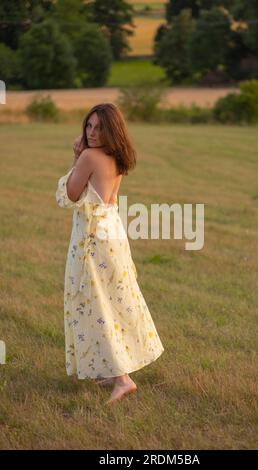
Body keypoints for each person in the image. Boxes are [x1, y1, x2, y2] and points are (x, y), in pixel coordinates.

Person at [55, 103, 165, 405]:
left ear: (110, 130)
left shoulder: (90, 156)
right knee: (114, 301)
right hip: (112, 235)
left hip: (93, 240)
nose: (91, 133)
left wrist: (75, 158)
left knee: (98, 304)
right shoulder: (117, 157)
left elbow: (69, 197)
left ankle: (122, 379)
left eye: (98, 128)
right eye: (88, 126)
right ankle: (113, 369)